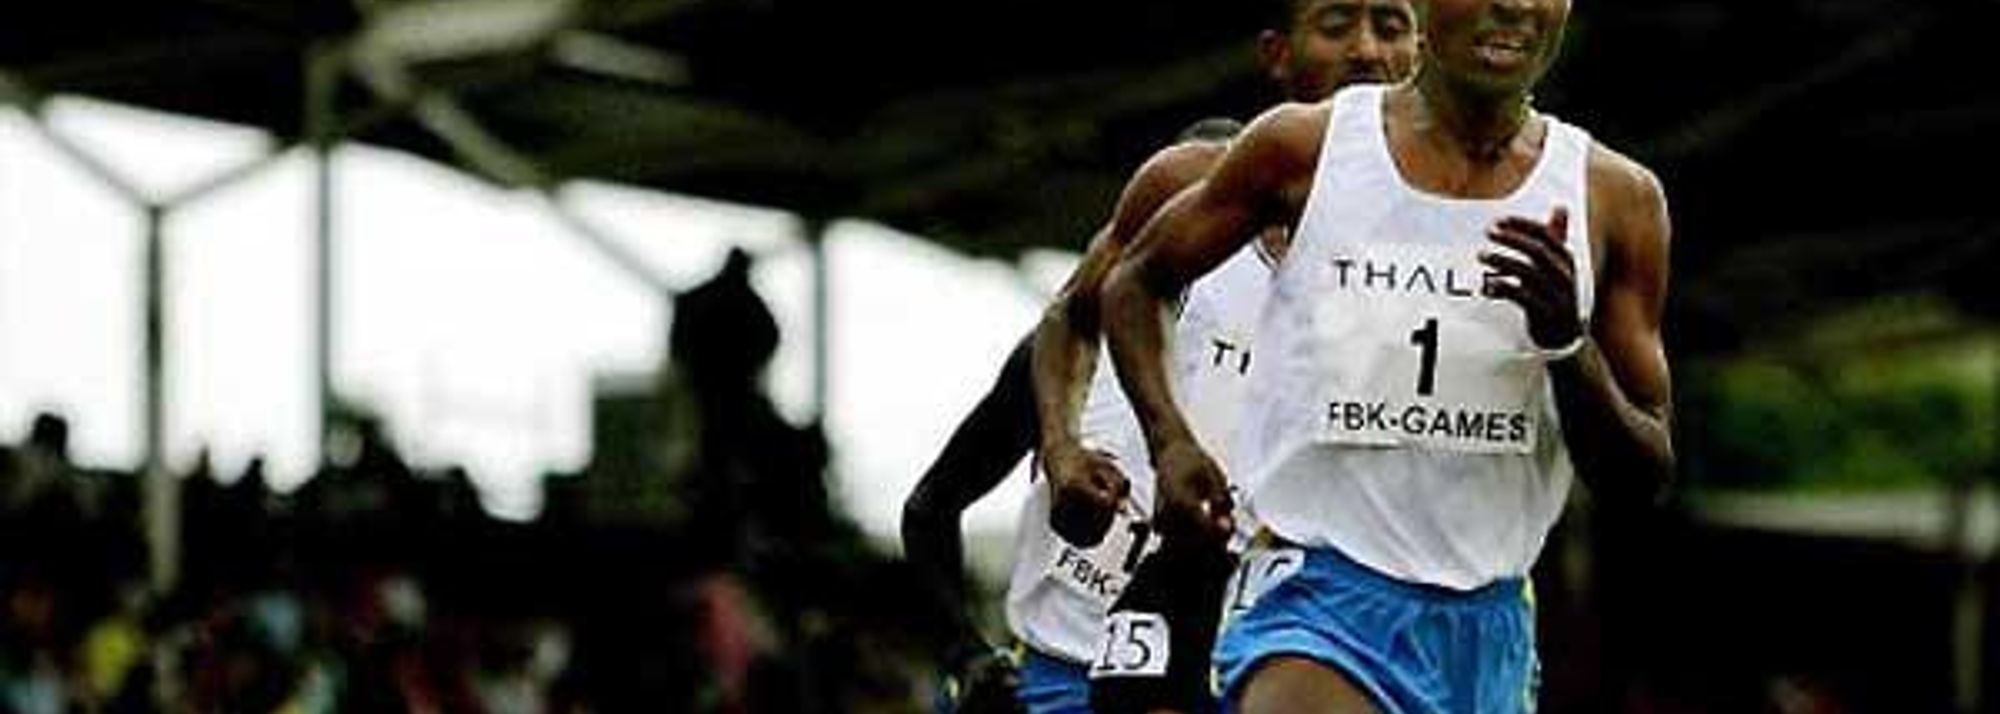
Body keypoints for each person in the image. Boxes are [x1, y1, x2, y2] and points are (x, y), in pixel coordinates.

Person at [1099, 0, 1675, 710]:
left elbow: (1643, 474)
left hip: (1487, 627)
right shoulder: (1304, 146)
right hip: (1316, 600)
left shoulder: (1615, 197)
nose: (1516, 6)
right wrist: (1170, 442)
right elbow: (1134, 281)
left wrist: (1567, 346)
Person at [901, 2, 1421, 711]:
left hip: (1222, 669)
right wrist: (967, 655)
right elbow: (931, 507)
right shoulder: (1073, 353)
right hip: (1062, 675)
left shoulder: (1369, 289)